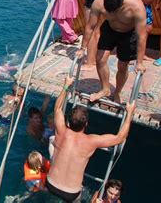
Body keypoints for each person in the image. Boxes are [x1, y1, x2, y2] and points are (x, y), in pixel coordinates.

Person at [46, 75, 136, 203]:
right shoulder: (91, 141)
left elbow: (58, 108)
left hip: (51, 184)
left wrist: (66, 86)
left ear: (68, 122)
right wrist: (130, 113)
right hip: (71, 193)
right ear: (86, 124)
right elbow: (120, 137)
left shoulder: (61, 130)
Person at [77, 0, 147, 103]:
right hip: (110, 30)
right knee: (100, 59)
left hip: (129, 34)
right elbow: (90, 26)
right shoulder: (98, 3)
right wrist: (82, 48)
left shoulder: (136, 7)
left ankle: (117, 92)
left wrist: (139, 62)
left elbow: (142, 36)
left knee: (123, 66)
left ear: (121, 5)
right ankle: (105, 89)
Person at [74, 0, 111, 70]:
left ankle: (90, 63)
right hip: (95, 0)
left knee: (91, 31)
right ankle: (93, 60)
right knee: (95, 32)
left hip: (94, 1)